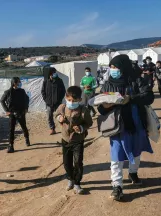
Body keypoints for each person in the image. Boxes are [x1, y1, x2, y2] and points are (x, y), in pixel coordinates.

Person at [98, 54, 154, 201]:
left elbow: (149, 97)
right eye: (111, 67)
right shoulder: (107, 84)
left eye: (115, 67)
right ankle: (117, 186)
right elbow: (101, 108)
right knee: (116, 155)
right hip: (116, 126)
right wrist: (107, 105)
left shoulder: (136, 80)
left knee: (136, 150)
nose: (113, 70)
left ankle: (133, 172)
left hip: (135, 123)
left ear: (123, 67)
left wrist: (131, 98)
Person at [55, 86, 93, 194]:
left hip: (78, 140)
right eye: (69, 100)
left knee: (77, 162)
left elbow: (89, 123)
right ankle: (70, 179)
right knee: (66, 163)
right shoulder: (62, 107)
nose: (71, 102)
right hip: (65, 140)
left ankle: (77, 183)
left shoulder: (83, 110)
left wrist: (81, 128)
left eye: (74, 101)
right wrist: (59, 118)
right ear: (66, 98)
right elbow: (56, 114)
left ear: (80, 100)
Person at [0, 77, 30, 153]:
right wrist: (7, 110)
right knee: (11, 130)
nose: (20, 83)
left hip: (21, 112)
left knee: (24, 127)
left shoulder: (22, 91)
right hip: (12, 113)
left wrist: (26, 108)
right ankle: (11, 145)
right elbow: (2, 100)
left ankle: (27, 139)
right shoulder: (8, 92)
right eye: (19, 82)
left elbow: (27, 99)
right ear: (14, 83)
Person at [41, 67, 66, 135]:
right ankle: (52, 129)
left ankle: (64, 128)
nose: (55, 74)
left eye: (55, 72)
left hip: (58, 103)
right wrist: (46, 100)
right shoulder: (46, 82)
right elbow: (43, 92)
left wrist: (59, 99)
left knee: (61, 116)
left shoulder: (59, 81)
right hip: (49, 103)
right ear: (50, 74)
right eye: (53, 73)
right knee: (49, 117)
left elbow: (63, 91)